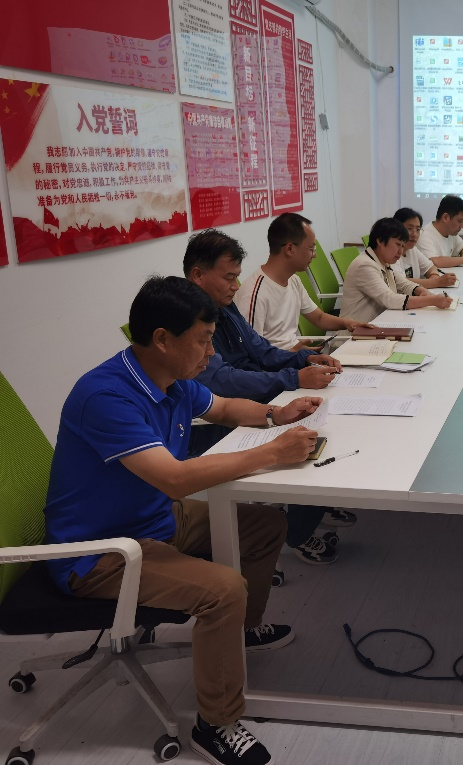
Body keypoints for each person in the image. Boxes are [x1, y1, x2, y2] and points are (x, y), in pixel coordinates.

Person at [44, 276, 321, 765]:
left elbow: (223, 407)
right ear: (162, 339)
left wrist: (276, 415)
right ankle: (216, 725)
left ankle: (241, 633)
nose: (211, 353)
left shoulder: (170, 380)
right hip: (100, 553)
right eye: (203, 340)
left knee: (262, 525)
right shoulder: (106, 396)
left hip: (151, 520)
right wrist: (273, 453)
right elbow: (174, 479)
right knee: (224, 589)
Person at [185, 228, 348, 565]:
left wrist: (303, 359)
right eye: (228, 277)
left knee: (319, 426)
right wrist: (292, 379)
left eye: (237, 276)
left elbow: (259, 349)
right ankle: (298, 530)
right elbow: (222, 381)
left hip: (243, 401)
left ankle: (309, 510)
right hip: (210, 420)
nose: (235, 285)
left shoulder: (223, 307)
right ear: (198, 275)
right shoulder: (188, 320)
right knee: (306, 439)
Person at [235, 213, 374, 351]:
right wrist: (296, 353)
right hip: (279, 364)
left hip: (294, 359)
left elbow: (319, 318)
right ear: (290, 249)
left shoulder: (293, 280)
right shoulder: (254, 294)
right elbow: (251, 353)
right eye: (311, 249)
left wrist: (348, 323)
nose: (314, 255)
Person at [340, 217, 452, 323]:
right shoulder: (365, 265)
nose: (400, 251)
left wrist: (421, 291)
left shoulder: (383, 262)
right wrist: (432, 300)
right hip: (354, 333)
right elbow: (390, 299)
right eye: (398, 244)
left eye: (403, 246)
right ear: (380, 241)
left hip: (378, 324)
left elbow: (404, 284)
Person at [393, 207, 458, 289]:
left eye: (418, 229)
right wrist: (437, 282)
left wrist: (434, 276)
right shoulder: (391, 253)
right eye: (409, 229)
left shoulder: (412, 250)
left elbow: (431, 267)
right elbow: (400, 283)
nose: (414, 234)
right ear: (397, 228)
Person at [415, 194, 463, 268]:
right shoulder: (425, 236)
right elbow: (434, 261)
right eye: (460, 221)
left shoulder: (451, 234)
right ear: (445, 217)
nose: (462, 226)